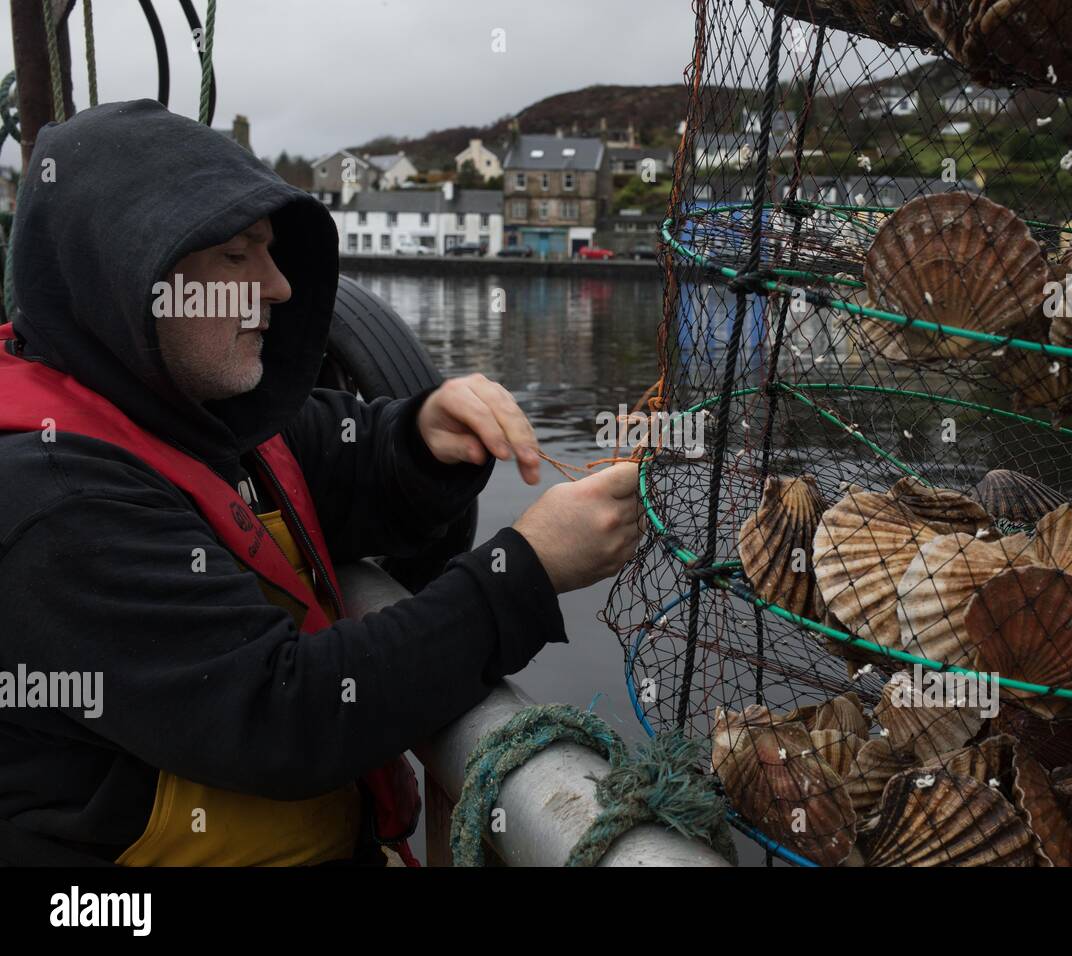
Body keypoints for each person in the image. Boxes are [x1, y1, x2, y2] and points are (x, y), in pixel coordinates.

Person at [0, 100, 641, 866]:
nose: (276, 286)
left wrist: (425, 438)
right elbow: (278, 715)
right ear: (129, 274)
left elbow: (342, 458)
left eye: (271, 253)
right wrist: (526, 570)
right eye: (237, 258)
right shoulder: (55, 500)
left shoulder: (196, 407)